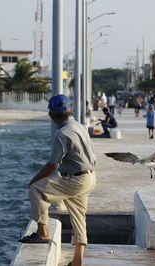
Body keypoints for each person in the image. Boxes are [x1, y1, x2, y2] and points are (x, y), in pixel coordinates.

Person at [19, 94, 97, 266]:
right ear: (70, 111)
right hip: (90, 177)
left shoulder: (61, 134)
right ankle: (77, 261)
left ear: (51, 114)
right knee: (78, 217)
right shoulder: (79, 126)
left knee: (36, 189)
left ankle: (42, 232)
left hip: (75, 180)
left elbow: (52, 166)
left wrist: (33, 180)